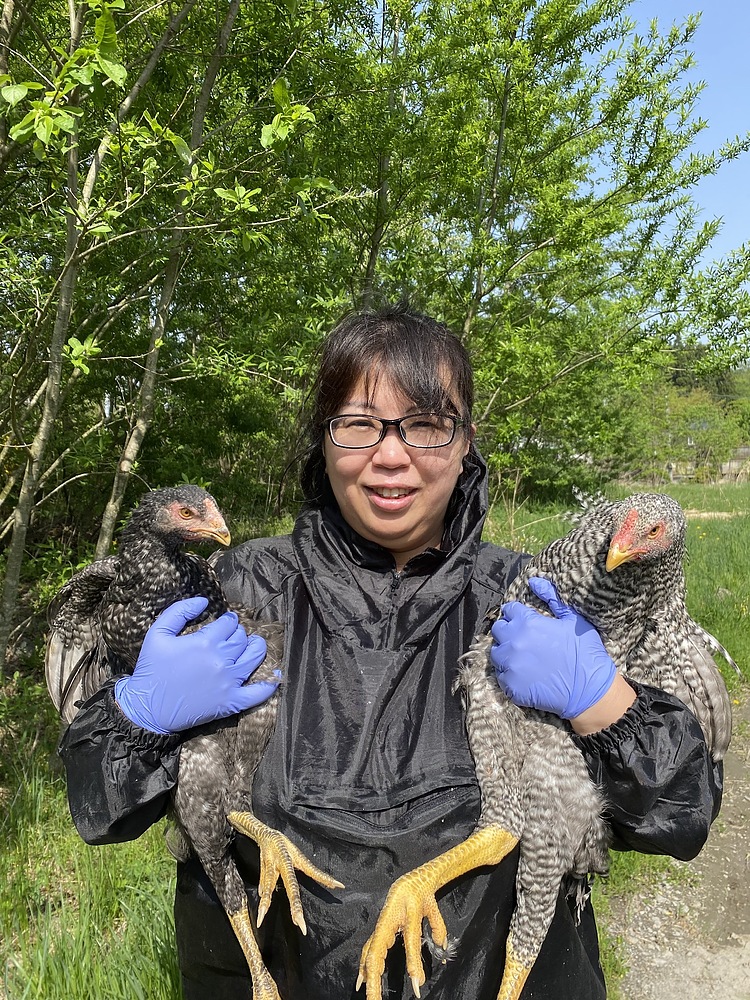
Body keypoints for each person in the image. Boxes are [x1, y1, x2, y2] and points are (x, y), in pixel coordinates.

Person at [59, 304, 722, 1000]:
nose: (391, 454)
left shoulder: (543, 600)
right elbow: (103, 810)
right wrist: (139, 715)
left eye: (427, 425)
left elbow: (678, 819)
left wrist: (603, 702)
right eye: (359, 424)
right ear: (324, 440)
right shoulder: (235, 590)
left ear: (467, 441)